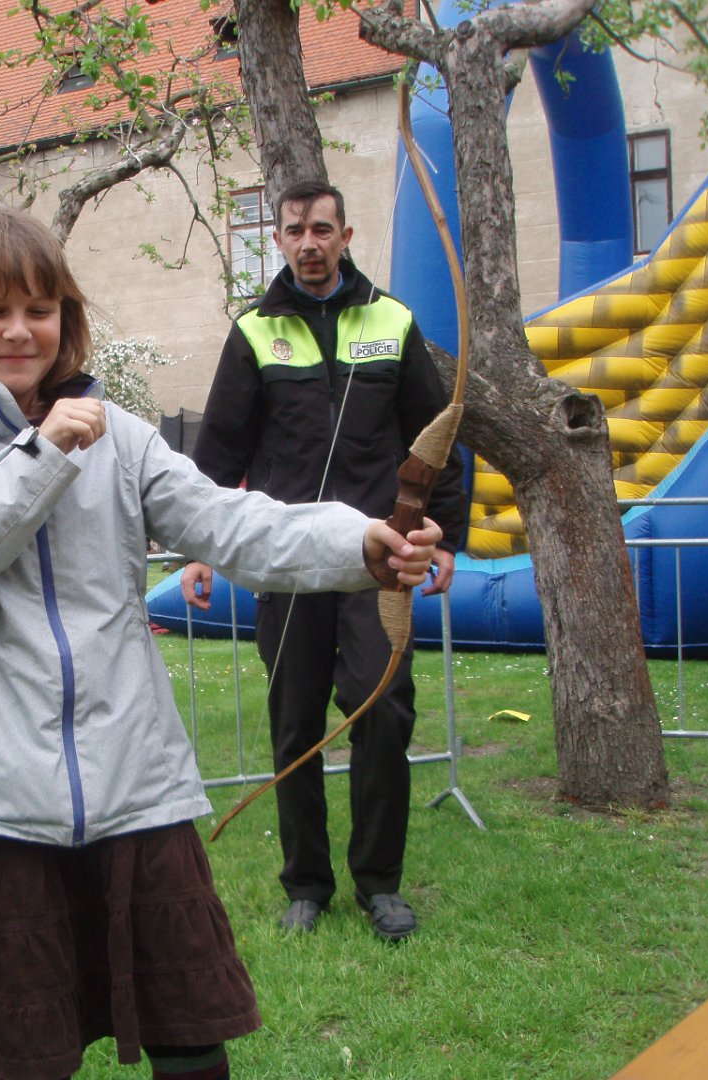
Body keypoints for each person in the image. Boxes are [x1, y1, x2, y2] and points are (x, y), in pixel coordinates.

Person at [0, 206, 441, 1080]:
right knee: (31, 1053)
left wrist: (359, 543)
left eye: (40, 306)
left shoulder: (120, 436)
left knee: (191, 1036)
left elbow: (234, 523)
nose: (20, 329)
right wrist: (39, 455)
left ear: (67, 317)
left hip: (136, 783)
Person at [181, 179, 468, 941]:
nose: (308, 242)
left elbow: (436, 436)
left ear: (347, 235)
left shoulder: (392, 321)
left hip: (376, 559)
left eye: (322, 229)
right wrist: (200, 550)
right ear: (277, 240)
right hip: (288, 560)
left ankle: (380, 884)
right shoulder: (253, 334)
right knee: (294, 719)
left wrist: (444, 534)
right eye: (294, 230)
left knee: (384, 708)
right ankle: (306, 885)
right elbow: (216, 455)